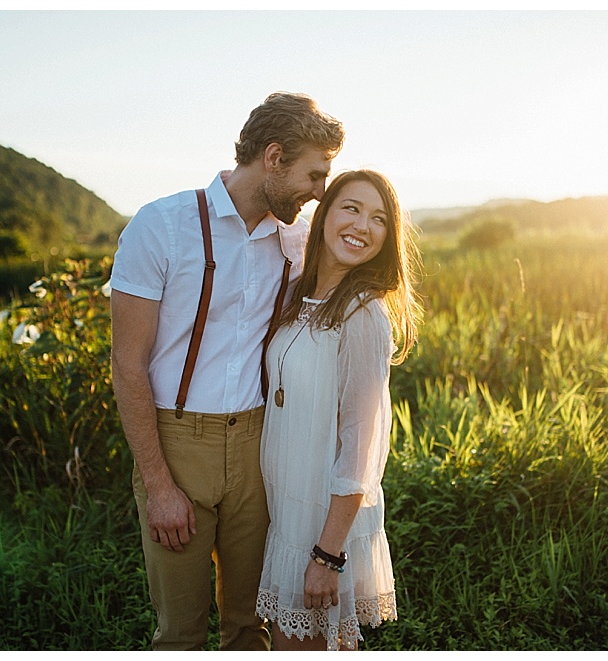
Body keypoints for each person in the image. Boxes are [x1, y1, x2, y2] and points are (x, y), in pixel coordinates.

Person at [109, 92, 344, 651]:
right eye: (314, 176)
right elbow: (127, 365)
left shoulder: (295, 241)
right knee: (181, 633)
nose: (319, 193)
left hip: (261, 445)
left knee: (250, 624)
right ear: (273, 156)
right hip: (177, 440)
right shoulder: (160, 226)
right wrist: (159, 484)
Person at [254, 170, 422, 650]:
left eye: (379, 219)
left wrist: (327, 556)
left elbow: (360, 450)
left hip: (321, 522)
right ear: (324, 213)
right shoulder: (295, 297)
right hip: (285, 509)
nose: (363, 226)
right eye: (351, 208)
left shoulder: (363, 314)